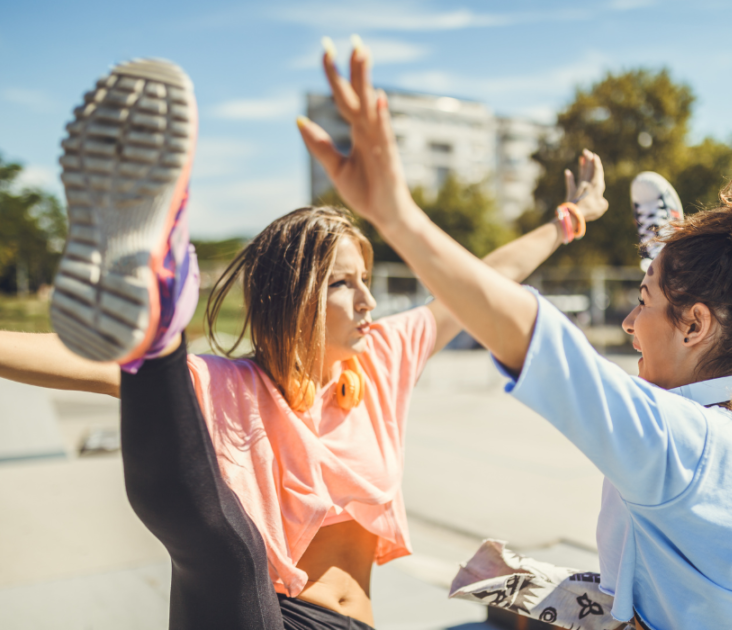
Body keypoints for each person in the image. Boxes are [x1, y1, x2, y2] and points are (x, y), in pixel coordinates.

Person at [296, 44, 732, 629]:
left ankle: (667, 256)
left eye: (643, 304)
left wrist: (398, 215)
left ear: (695, 324)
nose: (629, 325)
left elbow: (532, 336)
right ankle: (667, 257)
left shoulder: (677, 448)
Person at [0, 52, 609, 630]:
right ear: (293, 298)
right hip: (259, 612)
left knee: (223, 543)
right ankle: (154, 324)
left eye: (366, 280)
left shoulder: (383, 359)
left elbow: (485, 281)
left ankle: (155, 323)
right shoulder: (230, 385)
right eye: (343, 284)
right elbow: (79, 359)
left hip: (350, 621)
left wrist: (568, 220)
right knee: (223, 544)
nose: (368, 300)